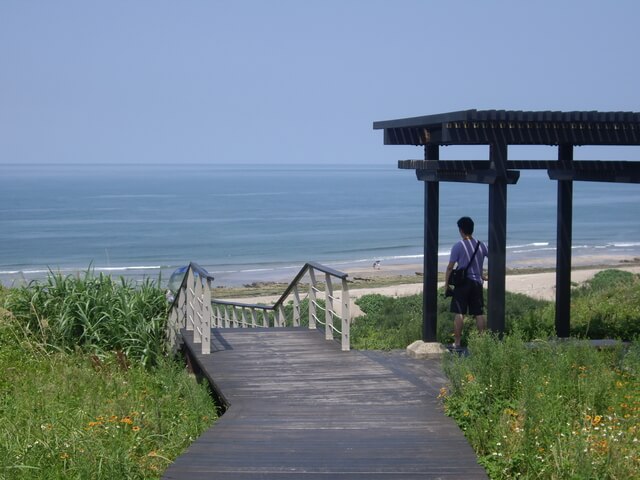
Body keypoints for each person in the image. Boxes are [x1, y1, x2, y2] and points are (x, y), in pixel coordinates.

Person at [444, 216, 488, 349]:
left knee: (459, 312)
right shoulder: (482, 245)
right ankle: (482, 342)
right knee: (478, 313)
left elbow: (450, 267)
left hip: (462, 283)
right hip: (477, 283)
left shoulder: (458, 246)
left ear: (461, 230)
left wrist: (446, 284)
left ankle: (457, 342)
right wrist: (484, 275)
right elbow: (492, 258)